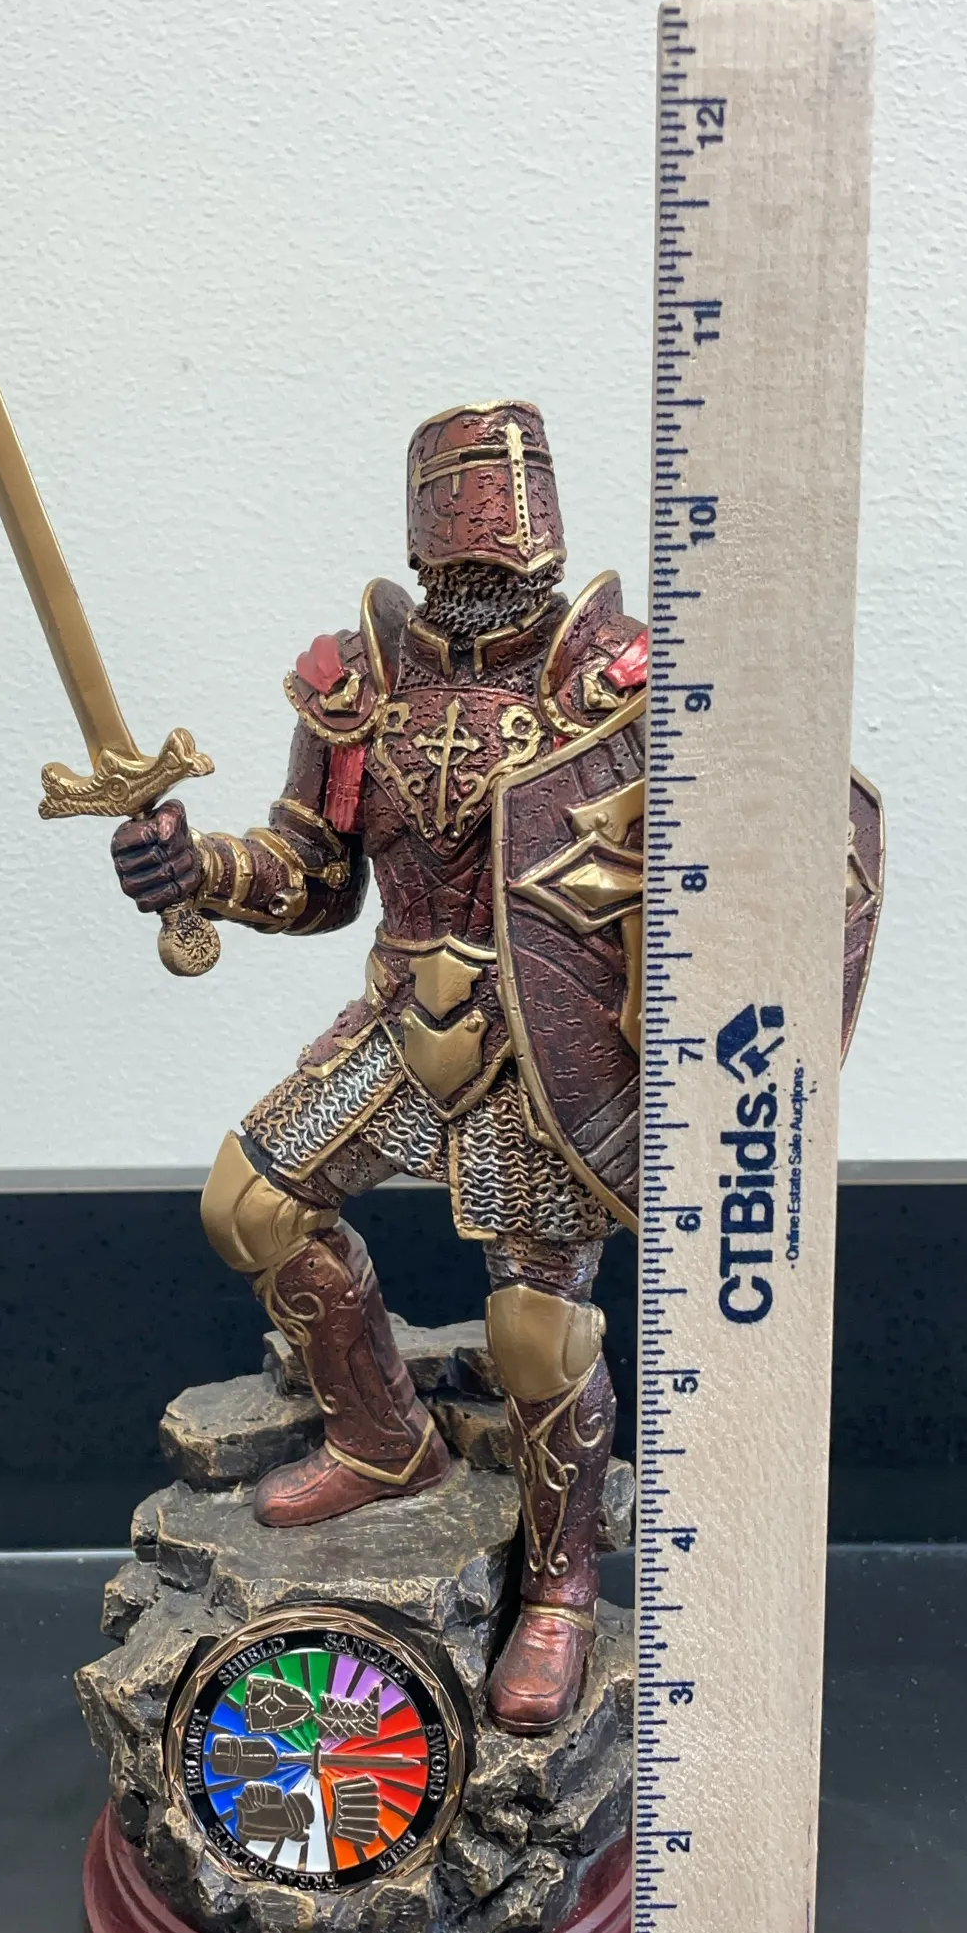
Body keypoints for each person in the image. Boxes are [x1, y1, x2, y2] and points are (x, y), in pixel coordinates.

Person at [112, 403, 647, 1734]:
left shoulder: (620, 683)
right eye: (461, 537)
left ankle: (561, 1587)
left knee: (536, 1330)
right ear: (420, 530)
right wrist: (202, 868)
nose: (484, 560)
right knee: (251, 1203)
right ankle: (382, 1435)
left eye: (502, 536)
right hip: (405, 1015)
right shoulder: (360, 685)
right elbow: (313, 872)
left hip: (543, 1043)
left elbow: (685, 897)